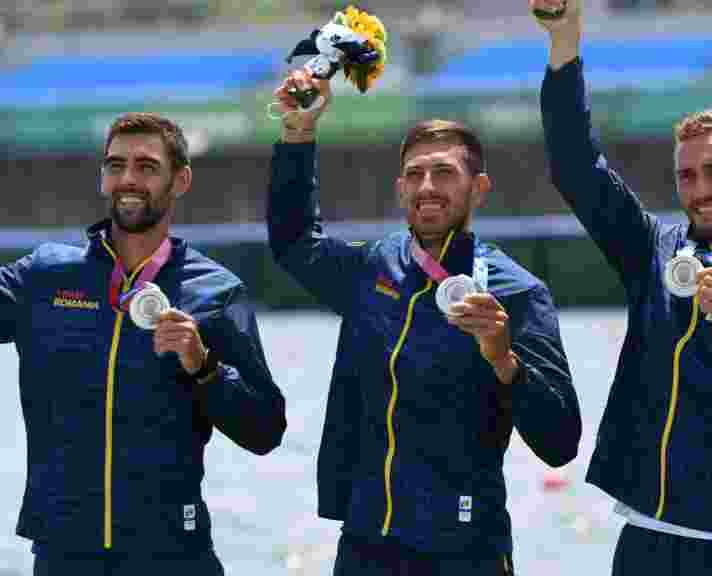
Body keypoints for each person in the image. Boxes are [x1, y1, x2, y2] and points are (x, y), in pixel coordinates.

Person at [266, 69, 582, 576]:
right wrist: (297, 135)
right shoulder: (373, 267)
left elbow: (560, 443)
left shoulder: (517, 293)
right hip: (368, 542)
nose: (427, 187)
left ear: (479, 189)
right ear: (399, 188)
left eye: (444, 173)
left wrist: (505, 360)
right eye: (414, 175)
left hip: (466, 548)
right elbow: (292, 241)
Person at [532, 1, 712, 574]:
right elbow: (576, 166)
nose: (700, 189)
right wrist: (564, 43)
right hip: (645, 541)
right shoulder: (649, 248)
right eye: (686, 175)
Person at [4, 112, 287, 575]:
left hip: (174, 552)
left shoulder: (214, 291)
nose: (127, 179)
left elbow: (265, 430)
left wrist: (203, 366)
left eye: (146, 166)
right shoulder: (43, 275)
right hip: (64, 551)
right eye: (115, 165)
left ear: (181, 180)